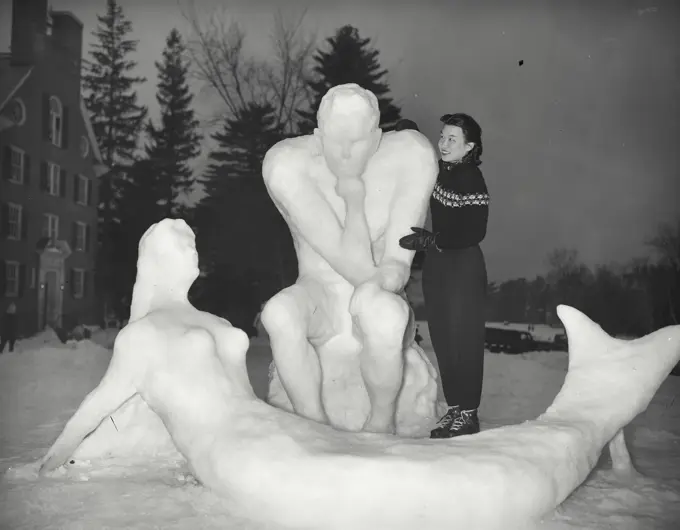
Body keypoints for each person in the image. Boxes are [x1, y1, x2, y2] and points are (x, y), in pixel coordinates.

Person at [261, 83, 438, 434]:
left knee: (386, 314)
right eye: (335, 142)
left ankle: (381, 423)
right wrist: (354, 200)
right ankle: (312, 423)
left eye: (356, 142)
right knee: (278, 314)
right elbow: (346, 259)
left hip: (375, 290)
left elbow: (396, 264)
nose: (344, 154)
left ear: (376, 139)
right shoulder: (287, 165)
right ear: (317, 135)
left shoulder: (411, 156)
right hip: (321, 293)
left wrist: (383, 281)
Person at [399, 112, 489, 438]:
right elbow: (419, 158)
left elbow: (475, 230)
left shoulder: (470, 178)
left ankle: (469, 413)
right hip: (438, 265)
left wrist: (431, 240)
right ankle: (454, 408)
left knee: (464, 338)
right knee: (443, 338)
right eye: (442, 136)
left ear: (469, 147)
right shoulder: (439, 172)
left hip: (463, 265)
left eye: (453, 139)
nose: (444, 143)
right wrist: (408, 135)